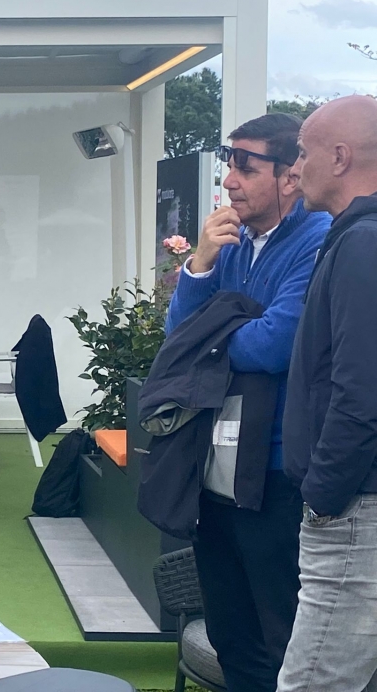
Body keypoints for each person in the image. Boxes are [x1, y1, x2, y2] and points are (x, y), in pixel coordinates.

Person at [165, 113, 331, 692]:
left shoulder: (319, 240)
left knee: (280, 637)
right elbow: (178, 340)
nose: (229, 181)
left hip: (279, 470)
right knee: (231, 634)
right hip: (217, 464)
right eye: (228, 164)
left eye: (246, 167)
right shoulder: (231, 242)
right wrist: (199, 266)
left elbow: (275, 345)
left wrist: (207, 340)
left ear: (291, 176)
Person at [277, 95, 377, 692]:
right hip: (355, 500)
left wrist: (324, 496)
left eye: (302, 153)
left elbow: (362, 392)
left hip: (355, 507)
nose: (295, 169)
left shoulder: (363, 244)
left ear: (339, 157)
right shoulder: (354, 239)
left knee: (315, 683)